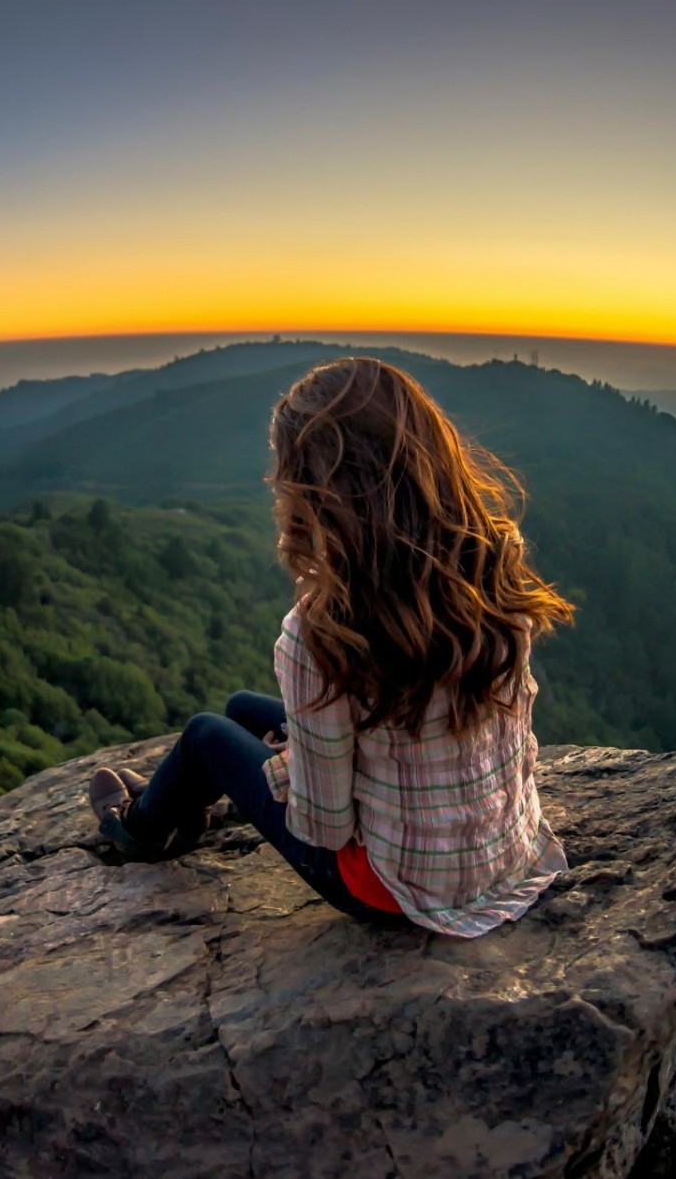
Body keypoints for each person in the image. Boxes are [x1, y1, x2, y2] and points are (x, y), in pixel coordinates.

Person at [88, 356, 575, 937]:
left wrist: (293, 768)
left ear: (312, 492)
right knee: (245, 707)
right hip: (507, 856)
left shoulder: (319, 634)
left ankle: (139, 829)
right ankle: (179, 801)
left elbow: (323, 827)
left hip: (393, 887)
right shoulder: (492, 566)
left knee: (205, 736)